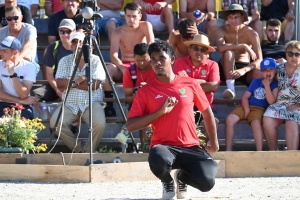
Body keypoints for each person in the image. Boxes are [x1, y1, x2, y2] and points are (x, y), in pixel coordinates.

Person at [126, 40, 219, 199]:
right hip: (164, 147)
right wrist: (160, 112)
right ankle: (167, 180)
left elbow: (207, 112)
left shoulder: (190, 83)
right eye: (153, 59)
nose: (157, 63)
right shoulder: (145, 91)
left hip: (191, 146)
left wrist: (214, 141)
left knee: (207, 182)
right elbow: (130, 126)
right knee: (157, 156)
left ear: (172, 59)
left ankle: (182, 178)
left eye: (162, 58)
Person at [50, 32, 106, 153]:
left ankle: (88, 152)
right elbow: (59, 84)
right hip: (69, 103)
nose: (78, 45)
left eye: (81, 42)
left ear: (90, 47)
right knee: (55, 123)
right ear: (71, 46)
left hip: (92, 102)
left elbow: (95, 84)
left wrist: (70, 83)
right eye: (74, 42)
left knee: (99, 123)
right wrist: (81, 79)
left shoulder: (96, 60)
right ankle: (79, 150)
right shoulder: (64, 60)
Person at [106, 2, 154, 117]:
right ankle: (109, 104)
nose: (131, 19)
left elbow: (152, 47)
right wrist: (123, 69)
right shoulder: (117, 32)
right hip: (125, 65)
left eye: (134, 16)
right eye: (128, 16)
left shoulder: (146, 26)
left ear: (140, 16)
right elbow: (113, 55)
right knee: (108, 69)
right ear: (124, 16)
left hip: (142, 64)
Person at [173, 34, 220, 140]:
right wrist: (203, 82)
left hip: (205, 105)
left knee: (213, 124)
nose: (199, 52)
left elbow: (213, 86)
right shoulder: (180, 62)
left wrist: (188, 81)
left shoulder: (213, 65)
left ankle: (203, 151)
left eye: (203, 50)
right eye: (195, 48)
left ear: (207, 53)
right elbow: (178, 84)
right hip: (183, 104)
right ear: (189, 49)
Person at [225, 58, 278, 151]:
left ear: (275, 71)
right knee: (229, 120)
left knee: (256, 123)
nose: (268, 72)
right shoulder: (255, 81)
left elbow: (271, 101)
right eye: (265, 70)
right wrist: (246, 109)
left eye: (271, 69)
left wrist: (266, 86)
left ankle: (259, 151)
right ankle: (228, 149)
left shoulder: (275, 84)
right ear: (261, 72)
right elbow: (245, 97)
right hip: (246, 106)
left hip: (260, 109)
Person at [216, 4, 262, 99]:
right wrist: (243, 45)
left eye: (236, 17)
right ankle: (230, 89)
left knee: (260, 72)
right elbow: (220, 47)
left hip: (244, 67)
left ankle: (259, 99)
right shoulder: (222, 30)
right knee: (229, 52)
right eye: (230, 17)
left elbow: (259, 59)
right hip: (225, 67)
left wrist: (243, 70)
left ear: (242, 17)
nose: (233, 21)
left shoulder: (251, 33)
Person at [32, 19, 75, 118]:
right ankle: (52, 123)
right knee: (34, 95)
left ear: (74, 32)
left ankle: (74, 125)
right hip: (56, 84)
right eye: (62, 31)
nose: (65, 34)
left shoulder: (79, 46)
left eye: (68, 31)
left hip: (75, 85)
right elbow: (49, 74)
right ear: (58, 32)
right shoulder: (53, 47)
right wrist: (57, 90)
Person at [263, 40, 300, 151]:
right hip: (279, 104)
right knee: (267, 120)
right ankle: (274, 154)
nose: (293, 57)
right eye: (290, 53)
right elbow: (264, 74)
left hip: (297, 106)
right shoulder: (278, 68)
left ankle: (291, 159)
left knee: (291, 123)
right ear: (286, 54)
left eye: (297, 54)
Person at [122, 43, 156, 146]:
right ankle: (146, 148)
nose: (141, 63)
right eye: (138, 60)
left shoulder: (157, 68)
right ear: (134, 58)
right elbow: (127, 98)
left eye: (145, 60)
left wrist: (148, 90)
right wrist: (138, 94)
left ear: (150, 57)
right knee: (144, 116)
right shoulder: (130, 71)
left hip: (156, 103)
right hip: (138, 105)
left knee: (146, 117)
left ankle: (147, 148)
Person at [0, 36, 36, 119]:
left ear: (15, 52)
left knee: (22, 125)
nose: (1, 52)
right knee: (3, 122)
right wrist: (20, 100)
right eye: (0, 50)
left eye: (4, 51)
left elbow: (23, 94)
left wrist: (12, 74)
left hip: (23, 106)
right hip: (4, 103)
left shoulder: (29, 67)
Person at [0, 6, 39, 75]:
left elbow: (29, 46)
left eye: (15, 18)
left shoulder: (30, 29)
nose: (13, 21)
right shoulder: (2, 32)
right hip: (7, 62)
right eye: (9, 18)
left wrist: (16, 60)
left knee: (26, 58)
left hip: (28, 62)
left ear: (21, 18)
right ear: (6, 20)